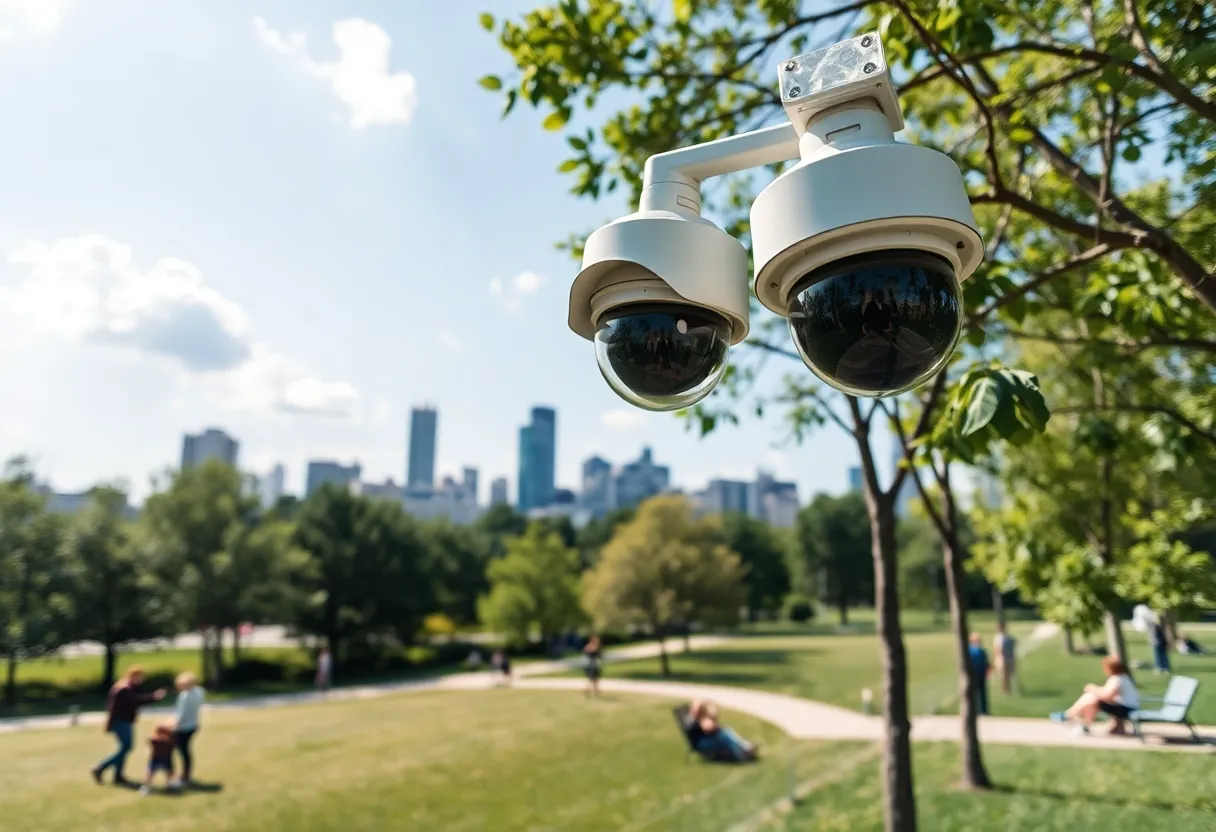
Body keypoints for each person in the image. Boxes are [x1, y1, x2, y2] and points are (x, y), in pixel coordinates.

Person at [92, 667, 167, 785]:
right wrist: (154, 697)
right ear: (133, 676)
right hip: (121, 721)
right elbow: (136, 700)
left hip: (123, 721)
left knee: (124, 748)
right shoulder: (124, 689)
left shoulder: (126, 687)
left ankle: (118, 776)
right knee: (127, 747)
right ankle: (100, 767)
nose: (141, 680)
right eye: (140, 677)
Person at [1051, 656, 1140, 735]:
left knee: (1093, 700)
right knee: (1091, 698)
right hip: (1124, 707)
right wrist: (1094, 690)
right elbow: (1109, 694)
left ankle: (1072, 718)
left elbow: (1106, 695)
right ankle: (1070, 716)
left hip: (1126, 709)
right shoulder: (1121, 677)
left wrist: (1093, 688)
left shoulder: (1117, 679)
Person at [684, 700, 758, 762]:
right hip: (701, 744)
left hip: (706, 740)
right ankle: (740, 754)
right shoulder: (692, 720)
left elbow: (709, 728)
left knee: (726, 731)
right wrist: (715, 724)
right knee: (723, 735)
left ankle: (745, 747)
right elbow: (707, 729)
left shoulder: (696, 718)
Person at [170, 671, 204, 787]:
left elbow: (180, 715)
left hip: (183, 727)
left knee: (181, 751)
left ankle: (182, 776)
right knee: (186, 751)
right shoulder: (199, 692)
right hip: (194, 725)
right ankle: (185, 774)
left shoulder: (185, 696)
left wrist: (170, 725)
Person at [140, 721, 177, 795]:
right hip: (155, 759)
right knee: (150, 773)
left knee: (169, 773)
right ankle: (146, 786)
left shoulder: (170, 740)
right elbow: (151, 740)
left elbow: (173, 744)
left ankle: (170, 784)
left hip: (166, 759)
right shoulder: (155, 740)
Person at [967, 633, 991, 716]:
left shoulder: (969, 650)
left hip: (974, 675)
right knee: (982, 693)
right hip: (980, 674)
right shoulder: (981, 650)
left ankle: (976, 710)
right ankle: (984, 710)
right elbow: (987, 663)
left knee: (974, 694)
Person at [992, 623, 1018, 695]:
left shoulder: (1007, 636)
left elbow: (1014, 642)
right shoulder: (998, 638)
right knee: (1004, 675)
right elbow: (996, 649)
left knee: (1010, 674)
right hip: (1002, 658)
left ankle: (1009, 688)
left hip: (1009, 657)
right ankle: (1005, 689)